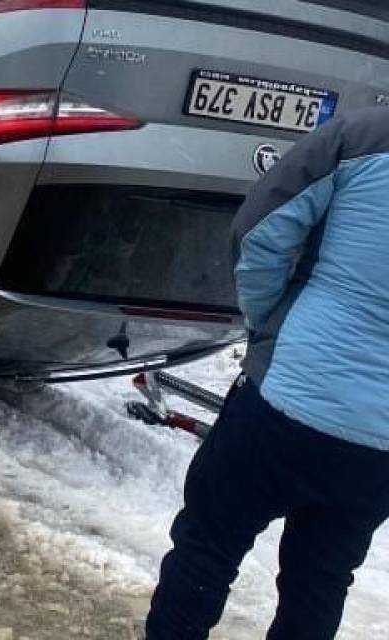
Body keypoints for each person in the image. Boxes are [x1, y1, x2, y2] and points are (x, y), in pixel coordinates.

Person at [146, 106, 389, 639]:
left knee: (208, 545)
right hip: (377, 445)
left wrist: (264, 325)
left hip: (287, 395)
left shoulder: (361, 136)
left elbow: (260, 231)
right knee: (320, 581)